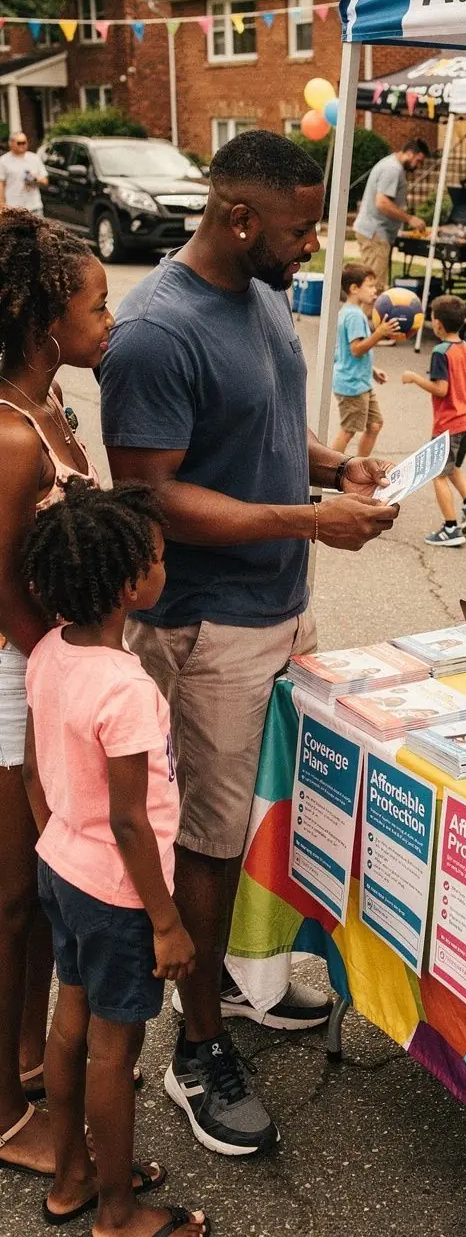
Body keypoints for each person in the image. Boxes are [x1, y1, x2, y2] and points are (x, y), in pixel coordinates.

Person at [101, 129, 399, 1158]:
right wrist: (310, 522)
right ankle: (199, 1047)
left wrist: (332, 473)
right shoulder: (154, 331)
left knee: (267, 815)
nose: (310, 243)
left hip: (279, 601)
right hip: (206, 624)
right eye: (296, 225)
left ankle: (241, 980)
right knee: (212, 837)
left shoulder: (266, 294)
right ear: (237, 219)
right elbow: (155, 496)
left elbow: (263, 429)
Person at [23, 479, 208, 1237]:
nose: (166, 568)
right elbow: (132, 824)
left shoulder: (46, 651)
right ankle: (119, 1214)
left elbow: (36, 769)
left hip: (62, 869)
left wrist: (59, 839)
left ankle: (73, 1180)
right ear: (128, 585)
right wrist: (166, 923)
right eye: (158, 559)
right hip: (119, 894)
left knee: (70, 1022)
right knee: (113, 1047)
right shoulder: (126, 688)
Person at [0, 211, 111, 1178]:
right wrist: (62, 683)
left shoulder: (54, 406)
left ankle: (32, 1060)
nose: (109, 319)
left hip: (50, 673)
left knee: (38, 896)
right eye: (95, 304)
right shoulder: (5, 432)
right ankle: (1, 1108)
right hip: (15, 677)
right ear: (45, 324)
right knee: (6, 898)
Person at [402, 295, 466, 549]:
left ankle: (450, 528)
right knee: (452, 466)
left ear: (436, 324)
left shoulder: (440, 352)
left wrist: (415, 378)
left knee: (437, 473)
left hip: (450, 422)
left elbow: (441, 389)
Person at [332, 265, 400, 456]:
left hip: (360, 381)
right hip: (351, 384)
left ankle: (360, 466)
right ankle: (330, 471)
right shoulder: (353, 315)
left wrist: (372, 370)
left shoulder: (350, 311)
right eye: (370, 286)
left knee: (375, 424)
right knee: (348, 430)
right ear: (354, 289)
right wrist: (379, 333)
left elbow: (346, 351)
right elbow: (356, 349)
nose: (375, 291)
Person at [353, 139, 430, 291]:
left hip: (374, 231)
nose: (418, 166)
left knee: (372, 284)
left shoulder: (392, 166)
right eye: (418, 161)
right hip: (375, 233)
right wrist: (410, 219)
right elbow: (382, 203)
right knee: (374, 288)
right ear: (409, 153)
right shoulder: (392, 169)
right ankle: (368, 315)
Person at [0, 132, 49, 213]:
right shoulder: (3, 161)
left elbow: (45, 181)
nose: (22, 145)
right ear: (11, 143)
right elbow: (1, 185)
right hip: (13, 208)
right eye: (19, 143)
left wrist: (36, 179)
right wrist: (1, 206)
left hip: (34, 206)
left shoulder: (35, 158)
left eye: (24, 142)